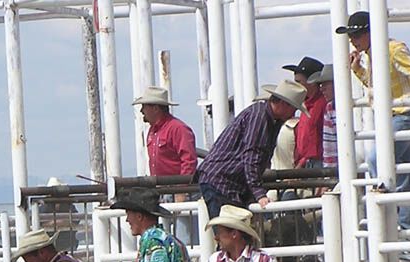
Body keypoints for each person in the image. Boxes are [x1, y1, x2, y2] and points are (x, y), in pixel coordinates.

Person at [336, 10, 410, 230]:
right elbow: (382, 86)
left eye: (356, 35)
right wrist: (358, 70)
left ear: (369, 33)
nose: (352, 41)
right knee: (404, 174)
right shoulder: (376, 54)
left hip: (405, 113)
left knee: (378, 160)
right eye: (351, 36)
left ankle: (394, 211)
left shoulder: (392, 49)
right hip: (398, 115)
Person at [196, 79, 309, 219]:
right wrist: (258, 193)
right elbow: (252, 156)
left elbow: (252, 156)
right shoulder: (260, 117)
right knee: (228, 233)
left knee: (229, 233)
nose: (294, 113)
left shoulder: (266, 117)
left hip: (224, 181)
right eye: (293, 108)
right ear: (283, 104)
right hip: (222, 182)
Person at [133, 86, 197, 203]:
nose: (142, 111)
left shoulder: (178, 128)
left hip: (176, 191)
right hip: (162, 191)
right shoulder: (153, 131)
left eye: (144, 107)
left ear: (156, 108)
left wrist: (181, 190)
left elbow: (189, 160)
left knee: (181, 220)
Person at [283, 56, 327, 169]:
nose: (296, 86)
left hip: (319, 162)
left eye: (298, 82)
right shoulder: (306, 105)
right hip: (309, 163)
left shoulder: (322, 104)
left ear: (312, 82)